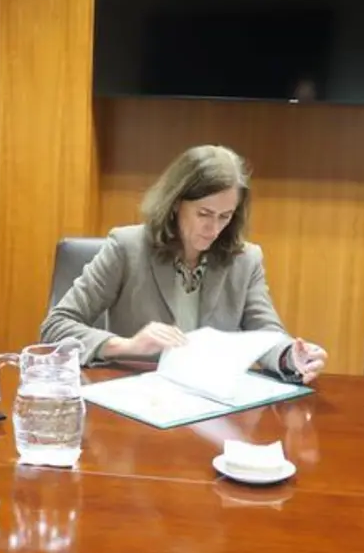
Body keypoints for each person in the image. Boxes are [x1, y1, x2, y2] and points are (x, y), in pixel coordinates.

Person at [40, 144, 328, 383]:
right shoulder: (127, 247)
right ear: (176, 203)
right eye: (204, 214)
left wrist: (291, 356)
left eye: (225, 216)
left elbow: (267, 334)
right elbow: (56, 326)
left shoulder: (245, 259)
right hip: (139, 399)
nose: (214, 229)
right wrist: (126, 346)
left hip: (211, 405)